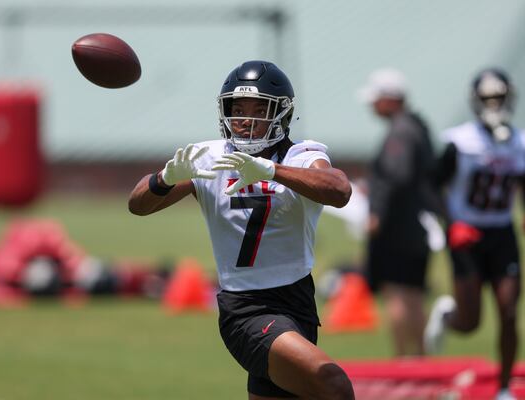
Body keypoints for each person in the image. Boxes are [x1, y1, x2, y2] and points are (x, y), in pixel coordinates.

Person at [129, 60, 355, 399]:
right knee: (332, 384)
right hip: (247, 308)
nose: (246, 119)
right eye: (238, 109)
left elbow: (339, 190)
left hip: (298, 302)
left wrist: (271, 170)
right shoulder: (211, 157)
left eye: (258, 109)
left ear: (281, 113)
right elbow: (138, 205)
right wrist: (164, 180)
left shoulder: (301, 155)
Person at [425, 67, 523, 400]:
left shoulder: (519, 142)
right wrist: (452, 224)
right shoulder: (460, 142)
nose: (494, 104)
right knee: (470, 323)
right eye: (488, 98)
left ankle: (505, 388)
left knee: (509, 313)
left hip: (501, 233)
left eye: (499, 97)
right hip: (467, 234)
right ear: (476, 101)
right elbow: (431, 185)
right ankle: (448, 315)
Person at [357, 68, 436, 356]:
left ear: (390, 100)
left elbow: (396, 176)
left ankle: (403, 361)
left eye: (375, 99)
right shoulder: (417, 127)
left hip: (398, 228)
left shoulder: (400, 132)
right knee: (414, 295)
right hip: (417, 225)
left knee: (399, 294)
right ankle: (421, 360)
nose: (372, 106)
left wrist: (377, 212)